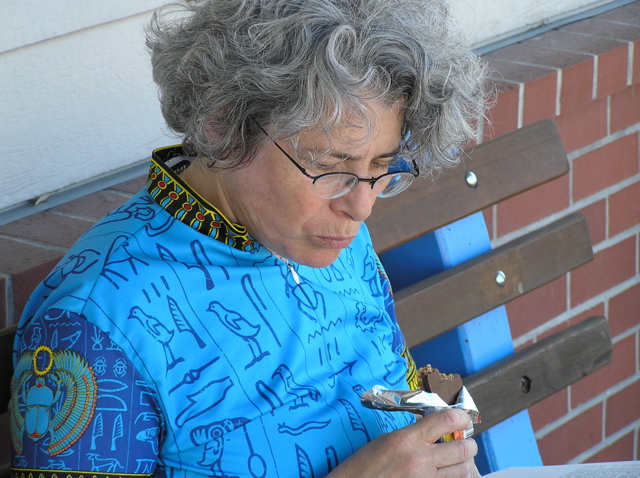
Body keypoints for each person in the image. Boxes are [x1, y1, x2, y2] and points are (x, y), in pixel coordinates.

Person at [9, 0, 488, 476]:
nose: (361, 207)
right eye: (328, 167)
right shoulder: (95, 323)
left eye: (382, 166)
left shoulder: (327, 234)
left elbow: (391, 384)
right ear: (224, 126)